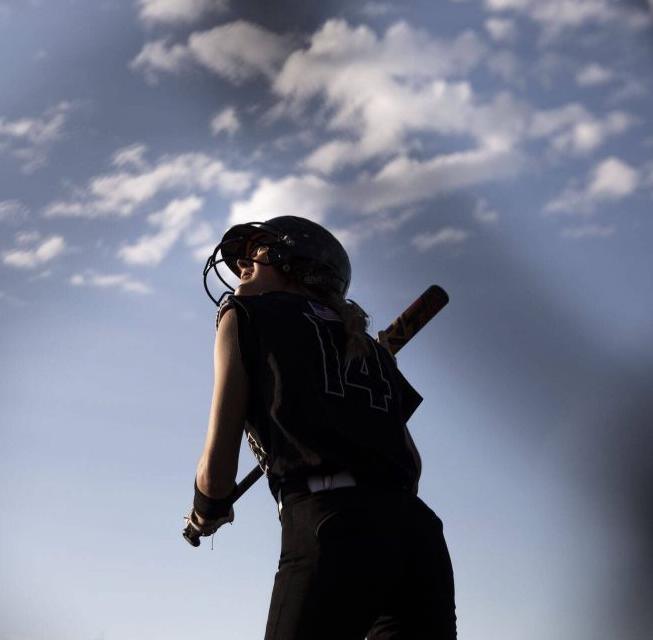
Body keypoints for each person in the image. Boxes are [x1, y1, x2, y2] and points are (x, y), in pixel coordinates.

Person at [188, 216, 456, 639]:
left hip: (330, 527)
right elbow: (412, 467)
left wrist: (207, 508)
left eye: (254, 252)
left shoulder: (242, 315)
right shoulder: (370, 349)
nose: (242, 266)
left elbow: (217, 473)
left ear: (294, 260)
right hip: (417, 534)